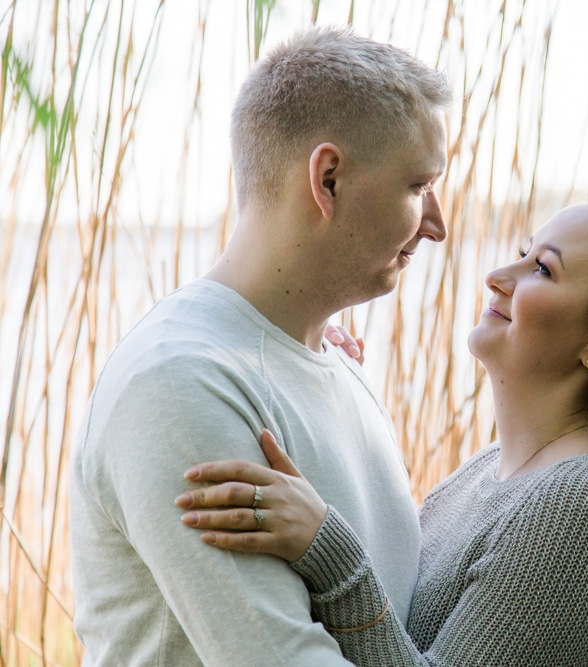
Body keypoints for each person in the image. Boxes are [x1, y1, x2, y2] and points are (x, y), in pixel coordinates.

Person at [177, 188, 588, 665]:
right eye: (523, 254)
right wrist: (323, 387)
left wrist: (329, 550)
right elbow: (390, 625)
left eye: (542, 268)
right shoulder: (489, 473)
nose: (498, 275)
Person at [69, 27, 451, 665]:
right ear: (327, 178)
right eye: (417, 186)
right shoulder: (180, 384)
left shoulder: (334, 365)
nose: (437, 224)